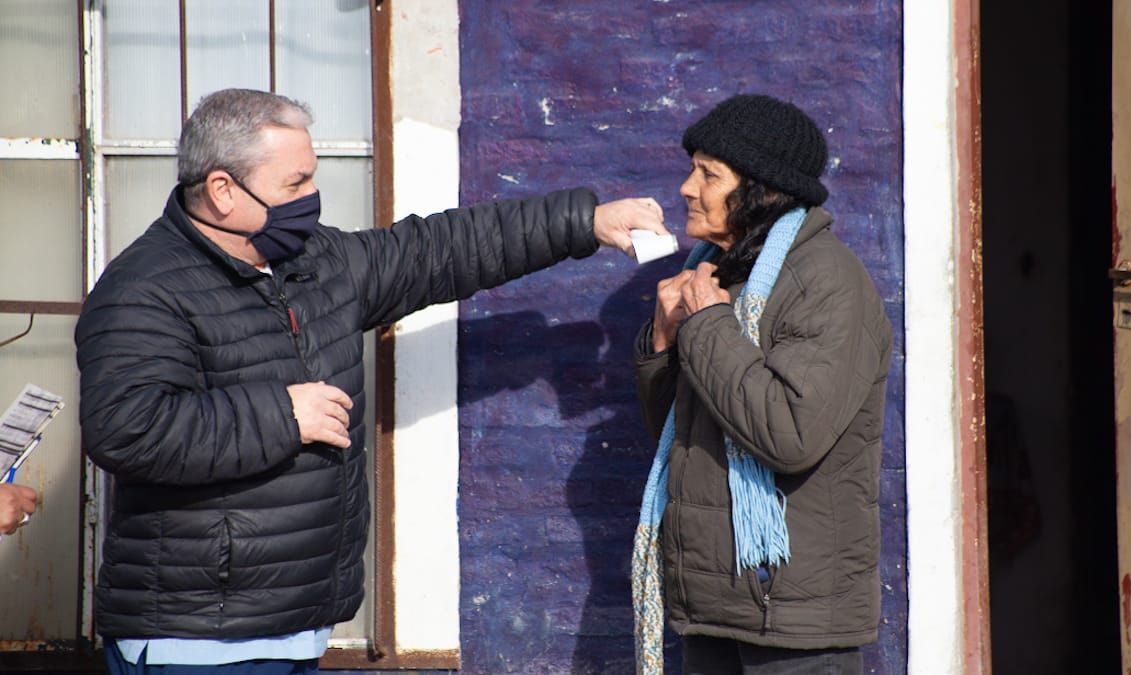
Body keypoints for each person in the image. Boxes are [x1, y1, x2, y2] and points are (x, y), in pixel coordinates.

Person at [74, 88, 667, 674]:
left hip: (292, 628)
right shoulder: (145, 289)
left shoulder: (312, 261)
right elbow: (126, 429)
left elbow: (438, 250)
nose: (312, 197)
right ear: (223, 190)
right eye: (294, 184)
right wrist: (284, 416)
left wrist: (584, 222)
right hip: (197, 640)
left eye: (312, 178)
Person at [631, 94, 893, 674]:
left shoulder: (824, 283)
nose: (685, 188)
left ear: (760, 190)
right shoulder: (723, 275)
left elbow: (788, 434)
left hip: (793, 620)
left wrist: (706, 324)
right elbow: (682, 437)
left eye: (708, 174)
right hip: (715, 605)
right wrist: (664, 343)